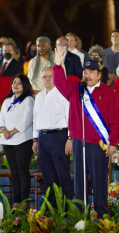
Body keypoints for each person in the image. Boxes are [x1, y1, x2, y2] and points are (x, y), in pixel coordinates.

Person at [53, 47, 119, 218]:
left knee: (99, 180)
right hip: (79, 142)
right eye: (85, 72)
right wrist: (57, 64)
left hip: (98, 144)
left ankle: (102, 215)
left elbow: (115, 119)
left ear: (99, 74)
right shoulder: (76, 89)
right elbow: (59, 82)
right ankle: (80, 215)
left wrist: (113, 142)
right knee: (79, 181)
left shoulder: (108, 92)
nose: (87, 75)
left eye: (92, 72)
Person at [32, 66, 73, 208]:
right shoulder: (39, 96)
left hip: (59, 136)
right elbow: (35, 119)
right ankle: (52, 207)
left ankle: (68, 206)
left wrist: (70, 138)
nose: (47, 79)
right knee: (47, 173)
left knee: (62, 172)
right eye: (44, 76)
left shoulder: (62, 93)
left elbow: (71, 117)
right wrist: (35, 139)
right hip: (43, 138)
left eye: (50, 76)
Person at [0, 74, 34, 210]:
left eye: (19, 83)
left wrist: (12, 132)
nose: (15, 85)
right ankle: (16, 200)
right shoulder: (7, 100)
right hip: (7, 140)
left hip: (22, 140)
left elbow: (27, 120)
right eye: (14, 82)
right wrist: (4, 130)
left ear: (24, 85)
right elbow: (1, 117)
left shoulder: (28, 100)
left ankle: (25, 201)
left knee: (22, 170)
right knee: (14, 171)